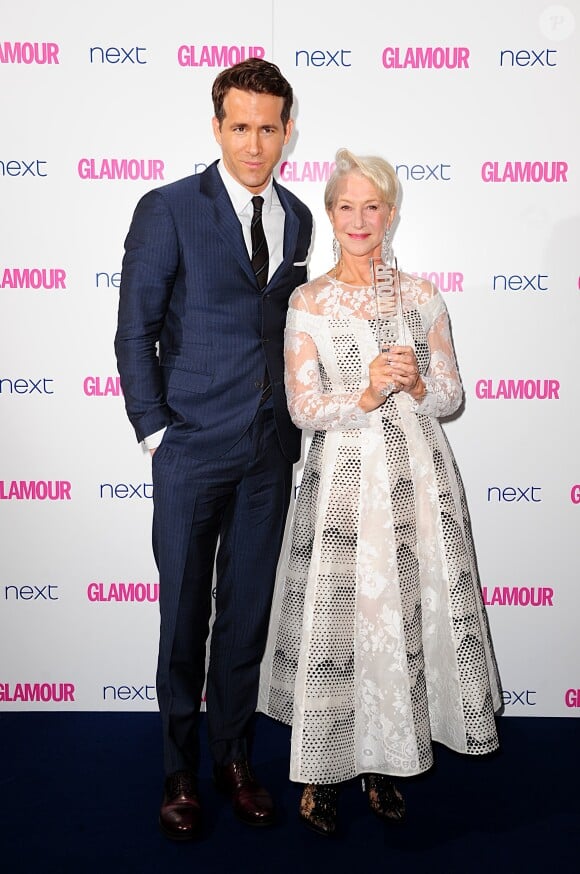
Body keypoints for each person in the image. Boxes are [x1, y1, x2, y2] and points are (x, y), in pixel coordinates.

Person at [259, 148, 501, 836]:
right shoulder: (308, 301)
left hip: (417, 478)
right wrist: (366, 391)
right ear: (330, 215)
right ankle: (321, 771)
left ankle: (385, 763)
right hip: (342, 481)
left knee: (402, 619)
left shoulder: (423, 296)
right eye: (345, 206)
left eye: (373, 206)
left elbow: (451, 397)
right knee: (338, 625)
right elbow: (304, 409)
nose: (360, 219)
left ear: (390, 213)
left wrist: (419, 385)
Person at [114, 58, 312, 841]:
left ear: (288, 131)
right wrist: (157, 430)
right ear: (217, 127)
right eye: (240, 126)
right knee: (183, 617)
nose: (255, 142)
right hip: (191, 449)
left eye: (269, 127)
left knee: (245, 620)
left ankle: (233, 759)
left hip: (269, 454)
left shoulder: (296, 215)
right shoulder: (167, 209)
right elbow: (136, 330)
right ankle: (178, 770)